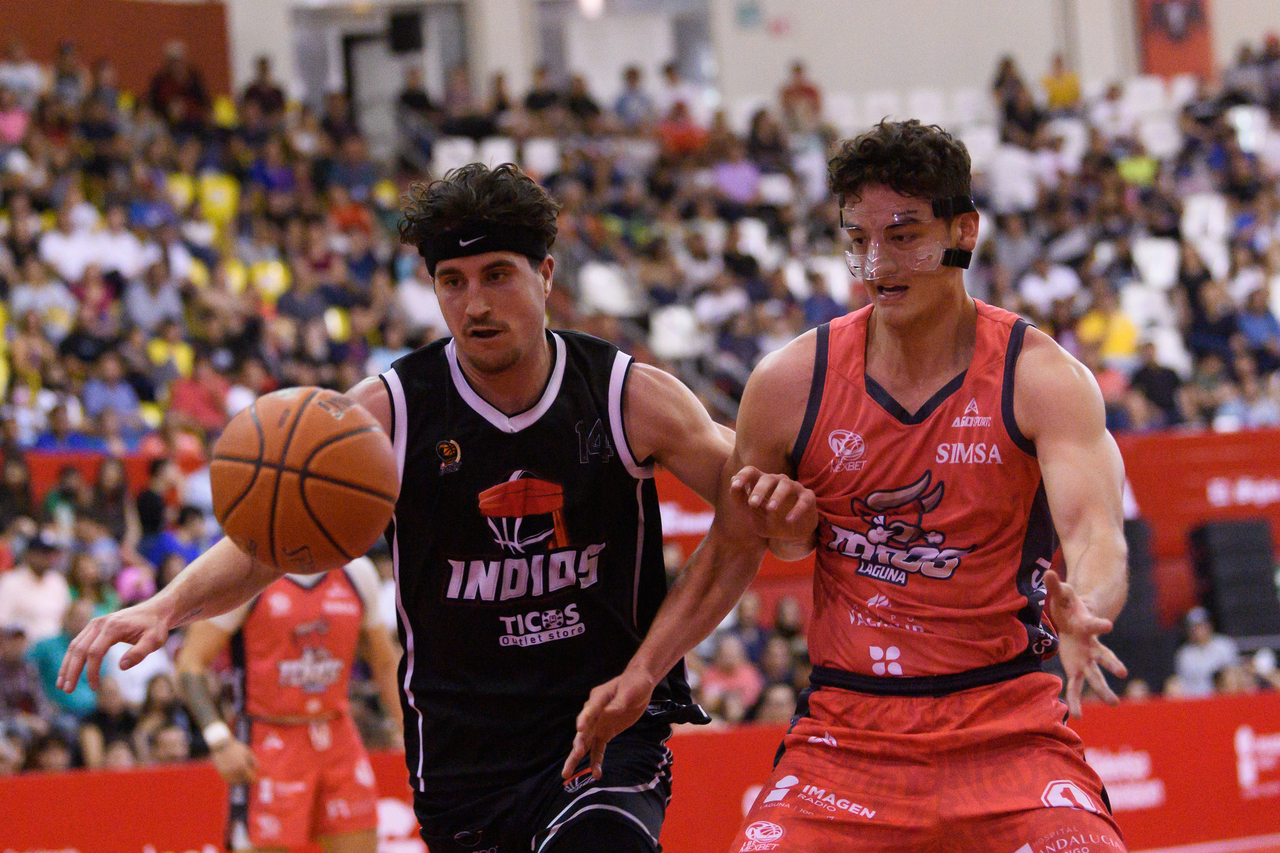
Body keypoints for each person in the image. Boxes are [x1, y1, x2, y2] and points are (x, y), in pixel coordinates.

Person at [59, 163, 810, 853]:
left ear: (546, 274)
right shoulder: (387, 413)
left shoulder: (628, 396)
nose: (475, 303)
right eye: (452, 281)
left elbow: (766, 525)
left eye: (497, 275)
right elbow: (273, 538)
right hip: (464, 751)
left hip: (607, 727)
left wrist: (785, 521)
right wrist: (166, 606)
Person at [569, 120, 1131, 851]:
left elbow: (1095, 531)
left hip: (1009, 725)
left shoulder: (1042, 376)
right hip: (849, 733)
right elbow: (730, 550)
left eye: (904, 236)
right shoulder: (788, 382)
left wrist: (1086, 605)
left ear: (965, 230)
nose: (876, 263)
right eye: (857, 238)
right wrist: (644, 672)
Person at [176, 557, 401, 853]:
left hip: (336, 731)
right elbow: (190, 664)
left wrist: (409, 733)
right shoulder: (247, 572)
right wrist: (219, 741)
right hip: (269, 737)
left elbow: (384, 663)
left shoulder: (357, 572)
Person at [1173, 605, 1239, 697]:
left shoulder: (1224, 645)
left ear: (1209, 625)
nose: (1198, 631)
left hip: (1224, 697)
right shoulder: (1184, 654)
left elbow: (1235, 674)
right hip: (1196, 701)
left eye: (1201, 625)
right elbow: (1182, 682)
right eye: (1193, 627)